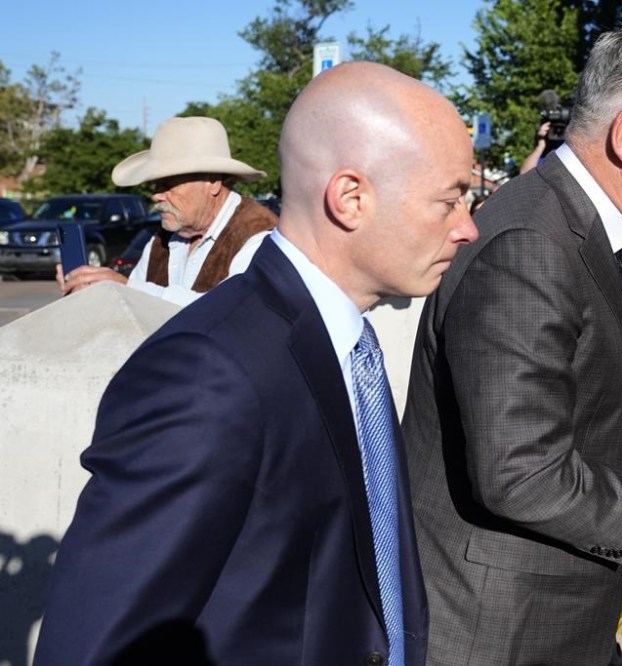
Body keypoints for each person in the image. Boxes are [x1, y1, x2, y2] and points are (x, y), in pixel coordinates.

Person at [34, 62, 478, 665]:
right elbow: (96, 645)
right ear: (351, 197)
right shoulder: (208, 372)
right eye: (450, 200)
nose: (468, 227)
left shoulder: (347, 345)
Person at [403, 31, 622, 664]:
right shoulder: (531, 242)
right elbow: (520, 473)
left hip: (548, 610)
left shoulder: (564, 224)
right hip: (505, 628)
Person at [57, 116, 277, 306]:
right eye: (156, 185)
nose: (157, 195)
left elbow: (226, 312)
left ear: (212, 182)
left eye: (168, 184)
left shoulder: (260, 236)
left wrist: (127, 289)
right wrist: (93, 293)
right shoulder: (160, 242)